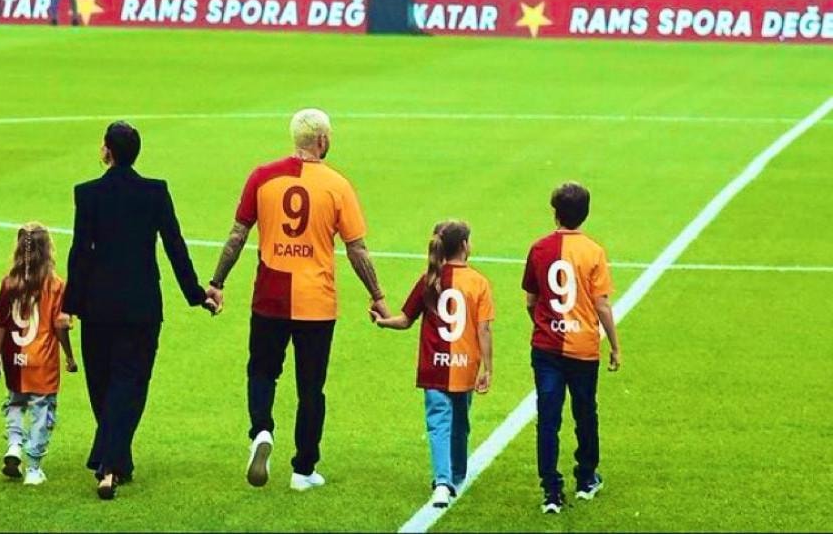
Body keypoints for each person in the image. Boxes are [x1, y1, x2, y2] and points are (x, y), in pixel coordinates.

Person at [206, 108, 389, 491]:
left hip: (270, 296)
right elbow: (357, 249)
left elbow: (238, 235)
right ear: (322, 140)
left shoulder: (262, 177)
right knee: (311, 388)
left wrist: (217, 282)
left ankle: (261, 430)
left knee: (262, 372)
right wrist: (377, 295)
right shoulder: (337, 185)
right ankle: (303, 469)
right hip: (316, 302)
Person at [62, 121, 217, 499]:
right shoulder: (155, 192)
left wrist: (70, 306)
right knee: (130, 383)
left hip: (98, 305)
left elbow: (80, 252)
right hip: (141, 304)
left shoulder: (88, 193)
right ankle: (116, 460)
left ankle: (108, 463)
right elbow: (175, 246)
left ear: (107, 151)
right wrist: (197, 294)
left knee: (102, 383)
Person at [371, 221, 494, 509]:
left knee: (439, 423)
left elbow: (405, 320)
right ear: (464, 245)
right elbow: (484, 329)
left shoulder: (429, 280)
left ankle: (443, 481)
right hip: (464, 366)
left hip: (433, 367)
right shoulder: (478, 282)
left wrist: (383, 321)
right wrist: (488, 368)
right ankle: (453, 477)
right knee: (460, 423)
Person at [522, 182, 620, 514]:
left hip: (546, 348)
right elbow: (602, 304)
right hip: (583, 348)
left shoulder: (539, 248)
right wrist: (615, 345)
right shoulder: (593, 251)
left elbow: (531, 300)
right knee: (585, 412)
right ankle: (586, 477)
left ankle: (551, 491)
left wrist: (545, 325)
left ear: (556, 214)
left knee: (548, 418)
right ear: (585, 214)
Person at [0, 223, 78, 487]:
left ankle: (14, 444)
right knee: (42, 409)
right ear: (48, 249)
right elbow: (60, 325)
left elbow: (0, 323)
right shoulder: (55, 285)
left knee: (15, 402)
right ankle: (33, 468)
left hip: (13, 358)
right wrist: (69, 356)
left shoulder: (9, 283)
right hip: (42, 360)